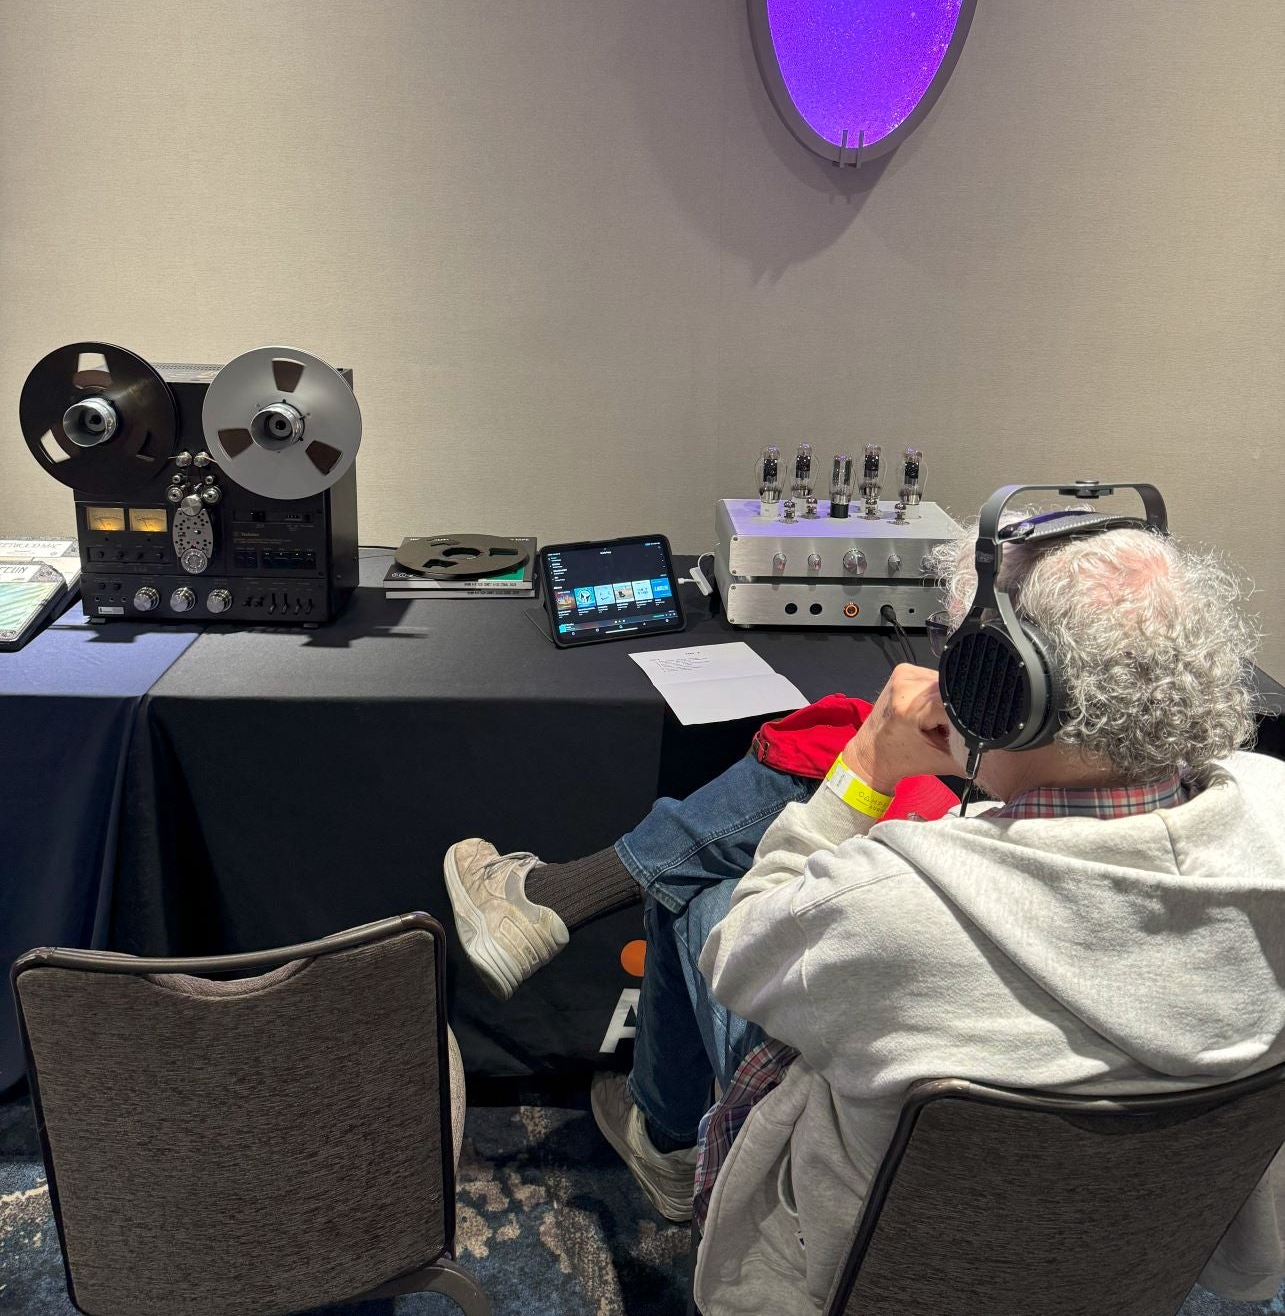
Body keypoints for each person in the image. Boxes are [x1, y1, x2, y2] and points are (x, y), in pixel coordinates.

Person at [445, 519, 1285, 1315]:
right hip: (1131, 1253)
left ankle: (663, 1139)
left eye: (960, 664)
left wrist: (864, 764)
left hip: (860, 1267)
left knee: (701, 902)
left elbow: (741, 952)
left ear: (1004, 691)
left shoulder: (887, 903)